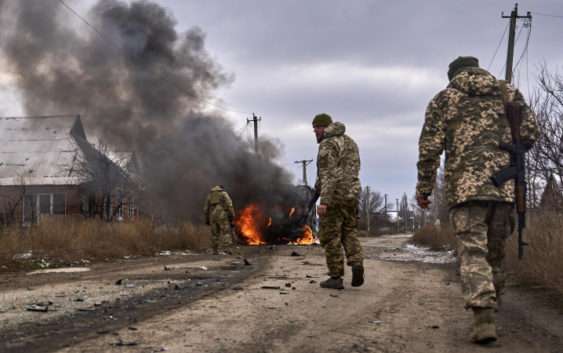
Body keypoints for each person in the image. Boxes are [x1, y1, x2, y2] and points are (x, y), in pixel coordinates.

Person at [416, 56, 538, 344]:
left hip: (465, 191)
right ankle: (494, 303)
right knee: (494, 253)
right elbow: (531, 134)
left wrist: (424, 188)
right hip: (504, 190)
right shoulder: (507, 92)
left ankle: (484, 317)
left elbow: (429, 148)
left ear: (453, 76)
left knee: (473, 252)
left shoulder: (443, 100)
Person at [312, 113, 364, 290]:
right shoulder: (350, 142)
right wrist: (316, 190)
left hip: (334, 197)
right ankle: (357, 263)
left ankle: (336, 277)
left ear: (325, 127)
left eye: (317, 127)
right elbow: (352, 170)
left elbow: (328, 175)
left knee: (330, 237)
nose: (315, 131)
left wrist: (324, 201)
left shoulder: (327, 144)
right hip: (352, 195)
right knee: (349, 231)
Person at [203, 185, 235, 255]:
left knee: (214, 234)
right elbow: (230, 205)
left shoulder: (210, 195)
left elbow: (205, 209)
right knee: (225, 232)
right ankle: (228, 250)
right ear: (221, 188)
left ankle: (215, 251)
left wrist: (207, 219)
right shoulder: (224, 193)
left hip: (212, 216)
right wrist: (232, 216)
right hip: (222, 215)